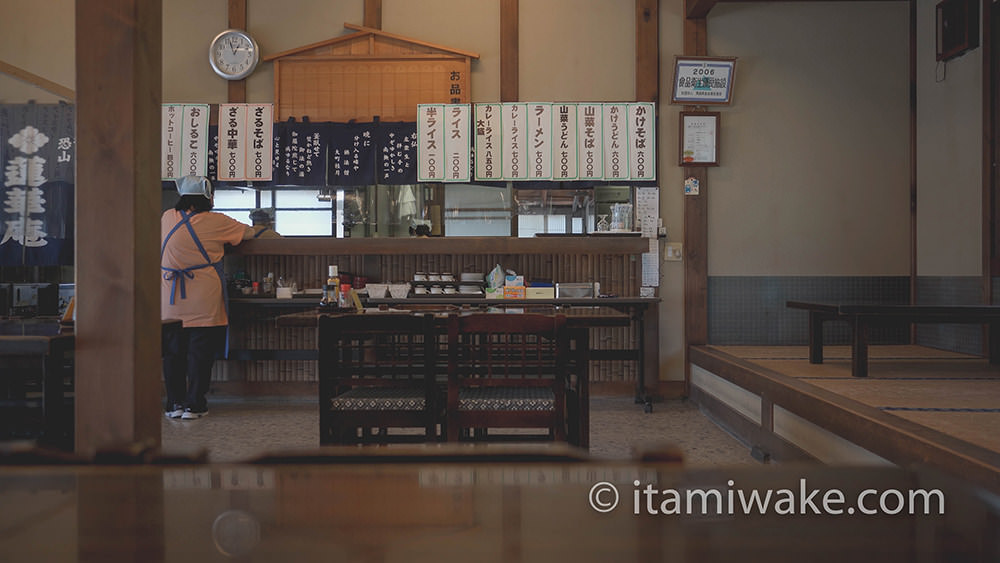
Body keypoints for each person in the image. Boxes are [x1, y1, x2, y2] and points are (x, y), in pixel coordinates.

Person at [161, 175, 255, 420]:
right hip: (203, 298)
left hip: (169, 300)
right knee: (199, 356)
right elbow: (248, 234)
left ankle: (174, 404)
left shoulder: (167, 217)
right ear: (209, 198)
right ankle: (195, 405)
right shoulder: (218, 221)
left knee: (173, 355)